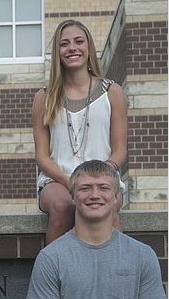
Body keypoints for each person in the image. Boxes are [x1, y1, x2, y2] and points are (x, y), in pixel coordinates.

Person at [33, 19, 127, 244]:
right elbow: (42, 156)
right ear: (57, 52)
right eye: (64, 44)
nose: (72, 48)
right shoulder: (43, 98)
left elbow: (120, 149)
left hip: (103, 176)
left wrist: (98, 178)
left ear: (89, 47)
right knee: (63, 205)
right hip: (58, 180)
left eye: (78, 41)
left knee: (106, 204)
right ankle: (53, 273)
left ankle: (118, 274)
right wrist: (71, 181)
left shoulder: (112, 92)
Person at [26, 160, 166, 299]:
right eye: (85, 188)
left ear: (117, 197)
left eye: (103, 188)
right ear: (73, 197)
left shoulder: (143, 256)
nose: (94, 195)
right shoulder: (50, 258)